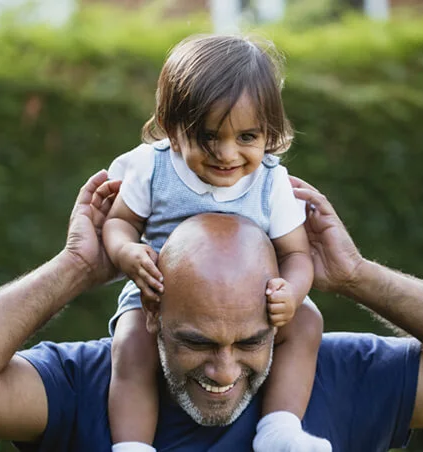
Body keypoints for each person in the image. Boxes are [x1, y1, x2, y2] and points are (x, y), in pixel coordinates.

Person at [0, 170, 423, 452]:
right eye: (196, 342)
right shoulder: (83, 385)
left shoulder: (336, 377)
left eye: (250, 342)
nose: (223, 369)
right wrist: (73, 270)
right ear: (149, 313)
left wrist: (359, 277)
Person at [101, 34, 324, 452]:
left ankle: (279, 428)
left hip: (250, 304)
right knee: (131, 347)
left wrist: (291, 292)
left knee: (308, 324)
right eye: (208, 137)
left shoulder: (270, 181)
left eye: (246, 138)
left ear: (268, 133)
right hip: (159, 296)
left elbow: (297, 254)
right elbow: (120, 223)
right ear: (171, 129)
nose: (227, 154)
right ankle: (132, 445)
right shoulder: (153, 167)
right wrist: (127, 252)